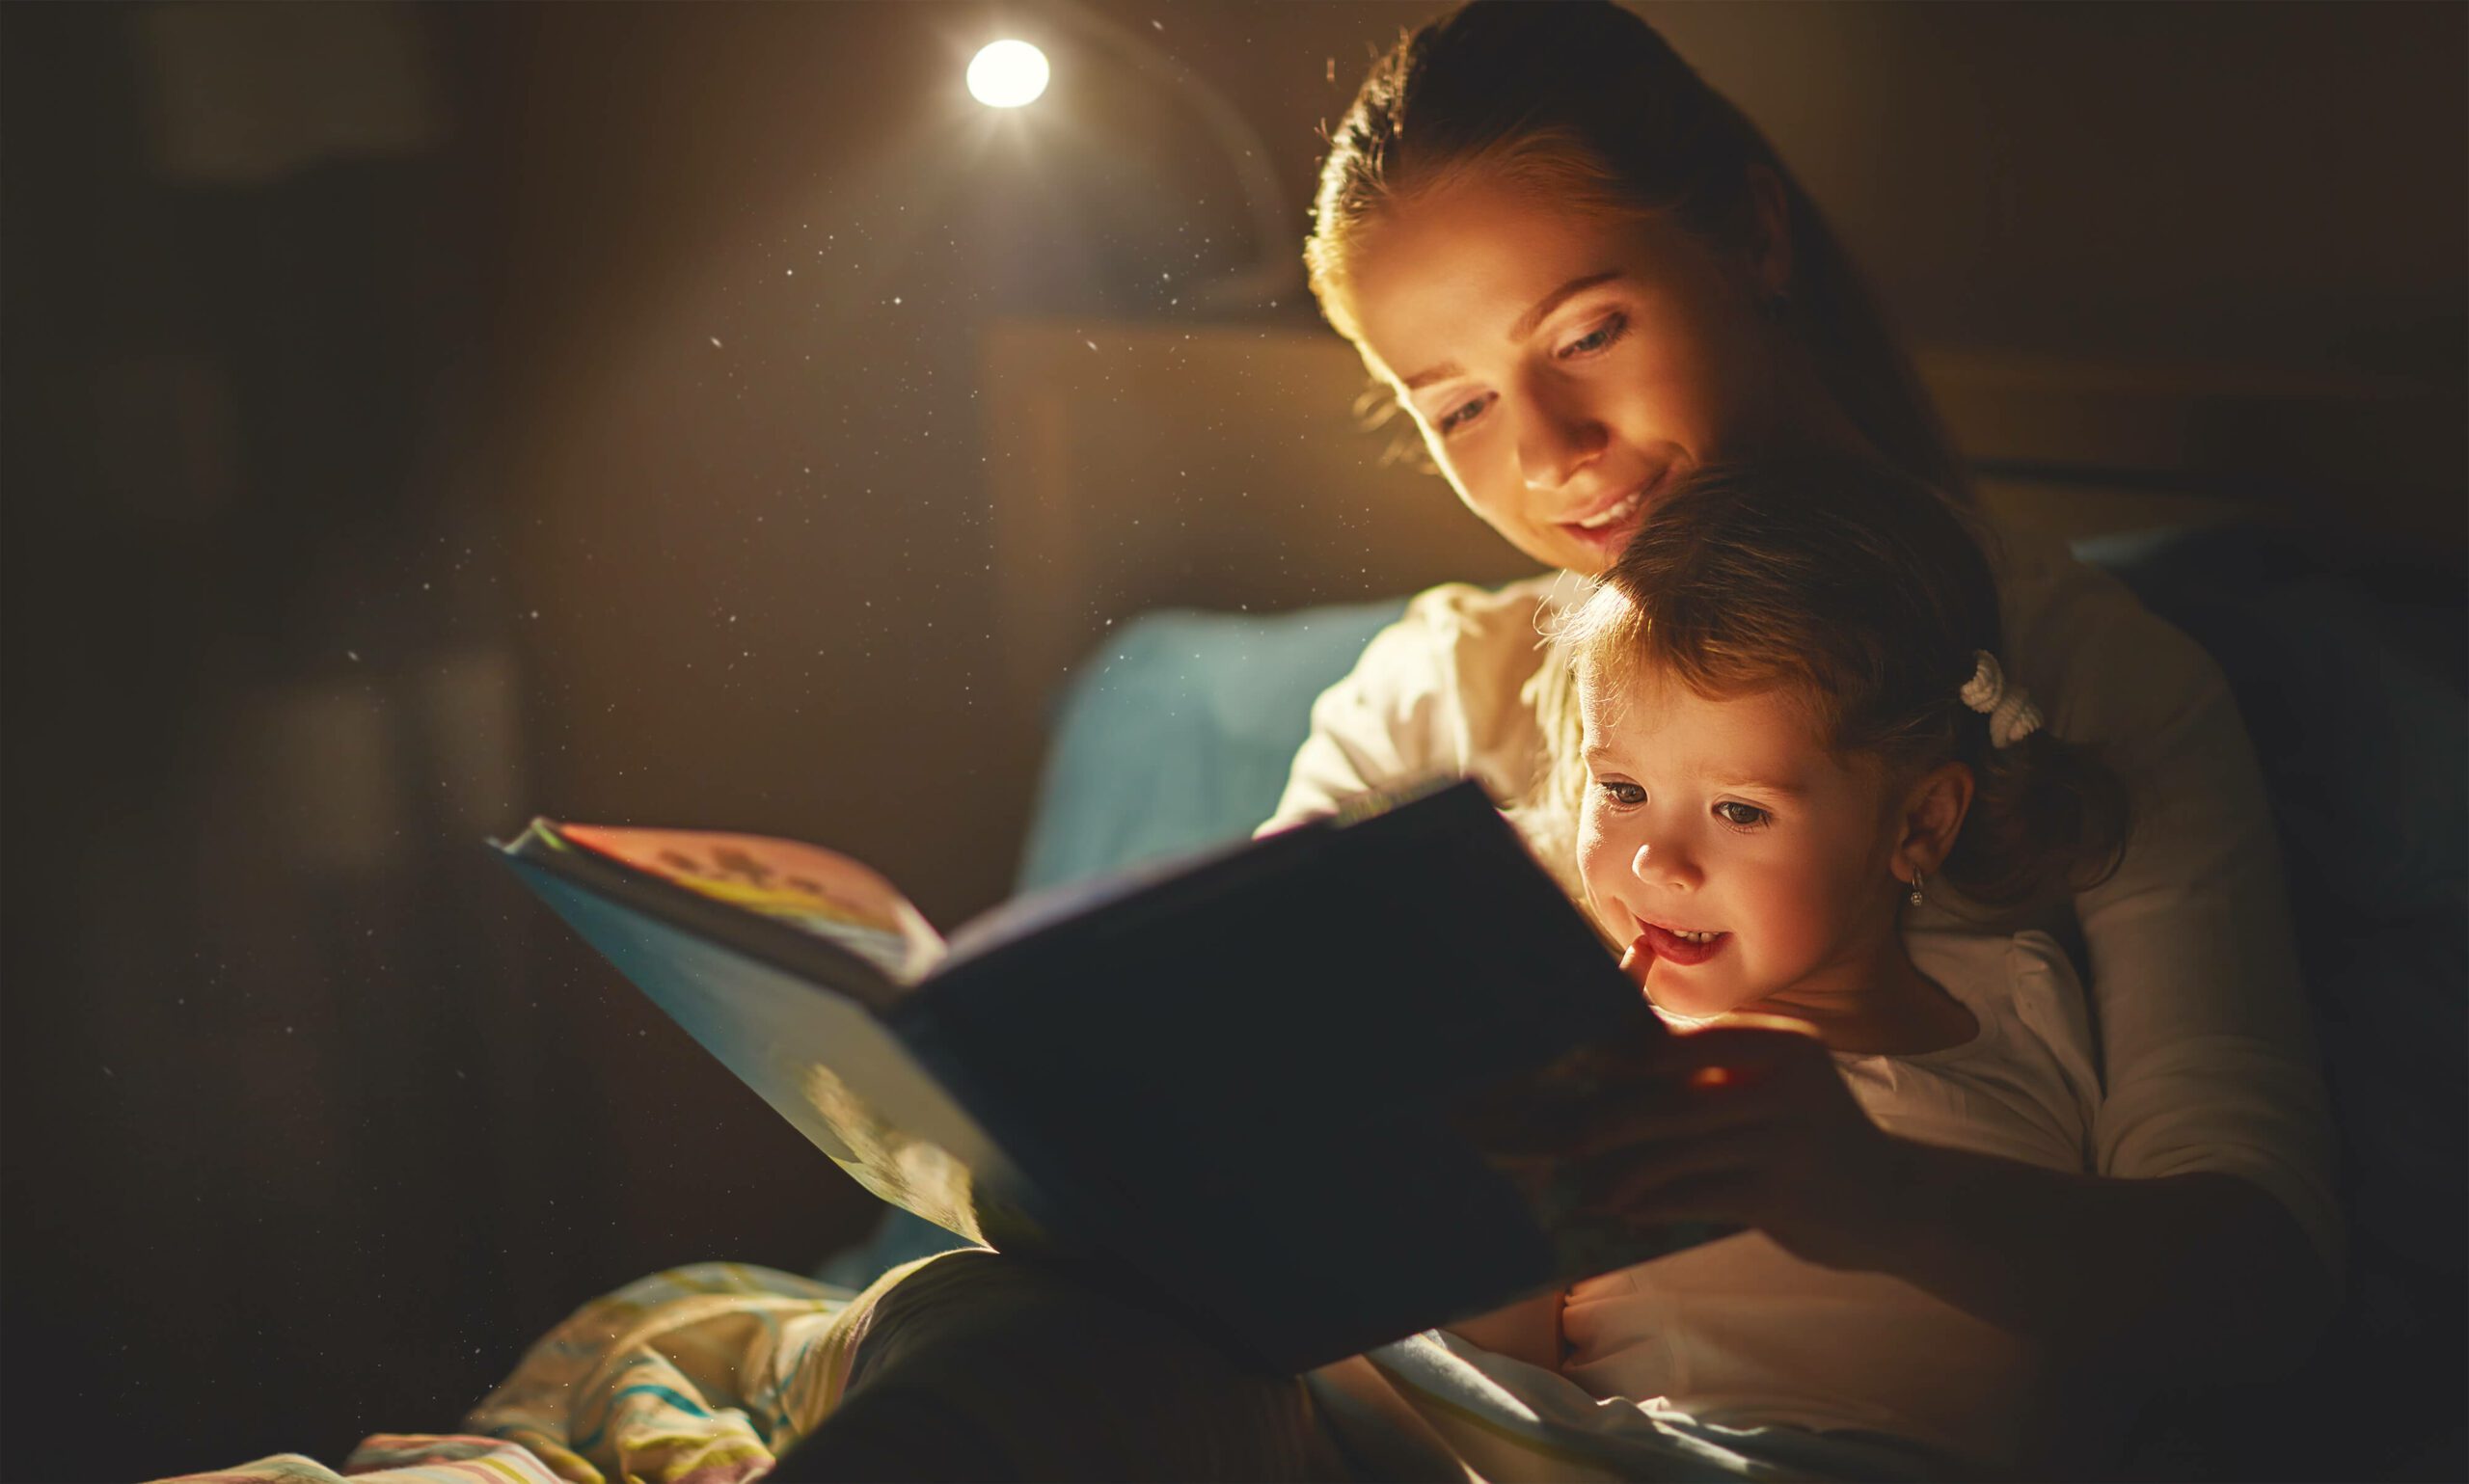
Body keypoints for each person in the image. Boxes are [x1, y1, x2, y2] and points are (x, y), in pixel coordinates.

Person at [796, 2, 2340, 1477]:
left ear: (1750, 234)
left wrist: (1878, 1194)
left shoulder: (2091, 688)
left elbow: (2261, 1295)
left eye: (1587, 331)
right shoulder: (1431, 691)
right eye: (1458, 408)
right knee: (967, 1323)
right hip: (1363, 1410)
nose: (1547, 456)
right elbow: (1255, 1085)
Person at [1311, 456, 2130, 1479]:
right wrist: (1516, 1161)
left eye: (1740, 811)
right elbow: (1495, 1394)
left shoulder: (2025, 1000)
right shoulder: (1597, 1053)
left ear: (1920, 821)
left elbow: (2110, 1340)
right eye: (1619, 791)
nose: (1658, 862)